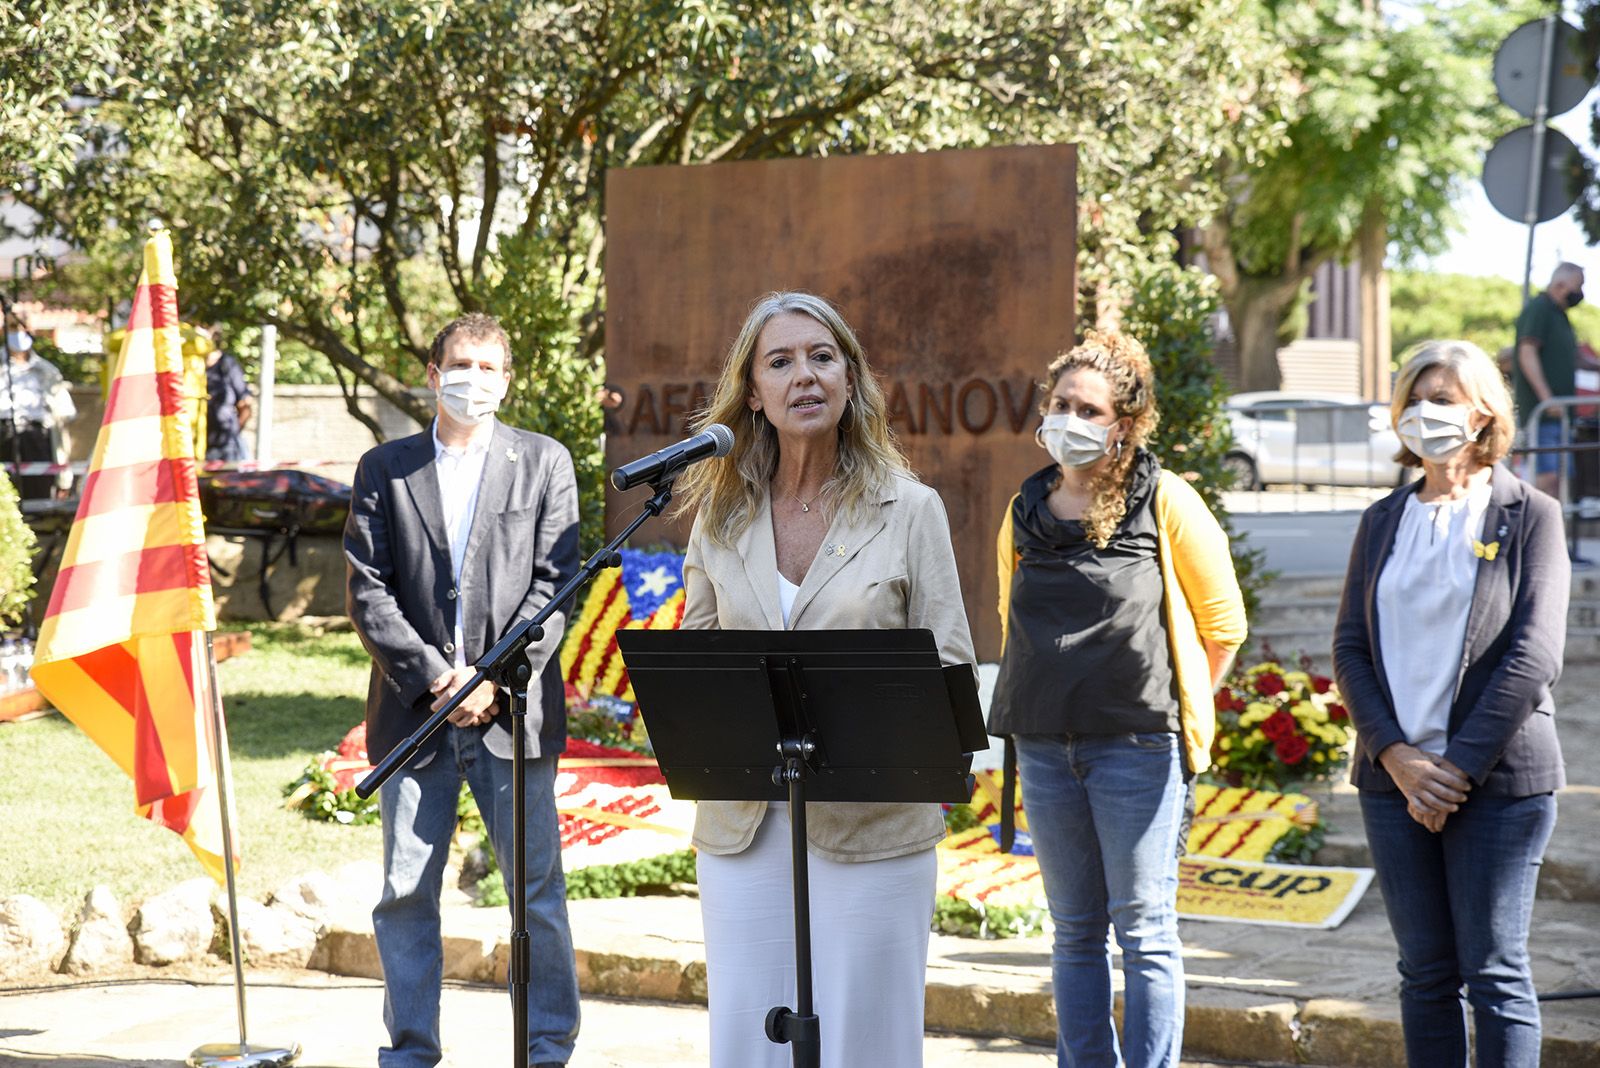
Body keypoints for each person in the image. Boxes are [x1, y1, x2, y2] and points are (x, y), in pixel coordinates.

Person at [676, 291, 976, 1068]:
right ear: (754, 393)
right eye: (780, 361)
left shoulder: (910, 511)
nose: (803, 375)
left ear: (849, 378)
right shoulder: (720, 518)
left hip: (874, 828)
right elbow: (696, 661)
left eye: (821, 356)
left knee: (866, 1045)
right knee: (749, 1046)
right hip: (744, 826)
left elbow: (949, 666)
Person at [987, 330, 1246, 1068]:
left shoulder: (1165, 500)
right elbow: (1012, 618)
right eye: (1059, 403)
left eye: (1087, 408)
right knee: (1073, 930)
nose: (1068, 417)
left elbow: (1222, 625)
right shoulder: (1025, 508)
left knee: (1144, 930)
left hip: (1138, 749)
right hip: (1043, 747)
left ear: (1124, 424)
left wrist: (1181, 704)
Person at [344, 313, 581, 1068]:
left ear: (507, 381)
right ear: (431, 372)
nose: (473, 379)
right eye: (460, 364)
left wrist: (491, 677)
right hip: (414, 714)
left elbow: (554, 588)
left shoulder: (544, 463)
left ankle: (546, 1051)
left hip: (513, 714)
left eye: (488, 367)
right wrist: (437, 679)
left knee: (535, 894)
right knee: (405, 893)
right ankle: (410, 1053)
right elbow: (368, 591)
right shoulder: (386, 469)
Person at [1333, 339, 1567, 1068]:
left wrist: (1453, 770)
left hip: (1498, 784)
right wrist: (1399, 759)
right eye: (1414, 400)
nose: (1426, 413)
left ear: (1482, 413)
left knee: (1496, 976)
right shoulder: (1381, 521)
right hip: (1393, 783)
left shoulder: (1530, 514)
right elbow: (1349, 649)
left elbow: (1534, 656)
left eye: (1444, 398)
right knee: (1425, 976)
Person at [1513, 261, 1584, 499]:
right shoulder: (1539, 309)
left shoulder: (1560, 316)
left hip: (1561, 416)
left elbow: (1576, 358)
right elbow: (1527, 352)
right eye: (1578, 285)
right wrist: (1547, 399)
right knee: (1546, 482)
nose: (1580, 292)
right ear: (1561, 284)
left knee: (1562, 482)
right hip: (1543, 415)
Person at [1, 310, 76, 501]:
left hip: (36, 438)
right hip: (3, 435)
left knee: (37, 497)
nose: (17, 332)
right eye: (12, 326)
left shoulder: (47, 371)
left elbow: (64, 418)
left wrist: (64, 479)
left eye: (22, 326)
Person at [201, 327, 254, 462]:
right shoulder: (189, 365)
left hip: (224, 448)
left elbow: (245, 404)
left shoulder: (227, 364)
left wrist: (233, 432)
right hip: (194, 444)